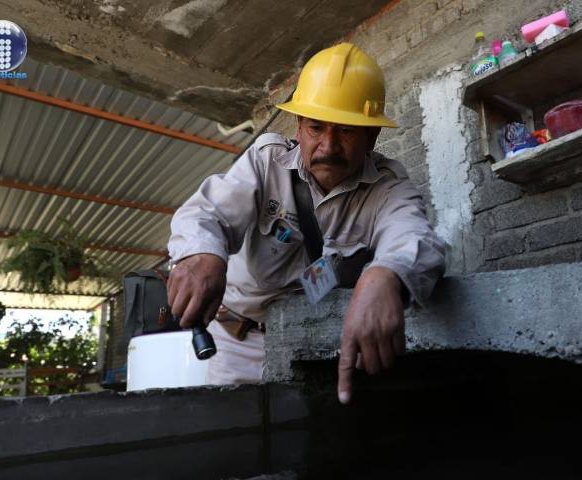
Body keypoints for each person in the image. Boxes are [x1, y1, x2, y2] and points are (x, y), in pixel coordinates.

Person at [167, 43, 445, 404]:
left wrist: (386, 275)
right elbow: (207, 213)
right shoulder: (266, 163)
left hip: (320, 343)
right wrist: (202, 254)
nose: (328, 146)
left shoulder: (388, 187)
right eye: (316, 127)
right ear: (299, 127)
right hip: (239, 346)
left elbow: (416, 237)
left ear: (371, 136)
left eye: (346, 131)